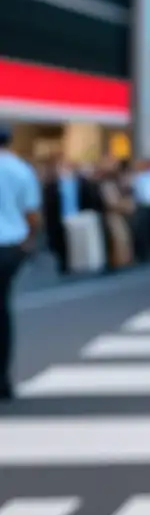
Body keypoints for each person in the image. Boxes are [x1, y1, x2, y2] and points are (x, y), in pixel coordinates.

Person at [0, 127, 42, 401]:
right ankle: (2, 379)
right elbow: (32, 213)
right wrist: (29, 241)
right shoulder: (20, 169)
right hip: (9, 246)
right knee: (2, 309)